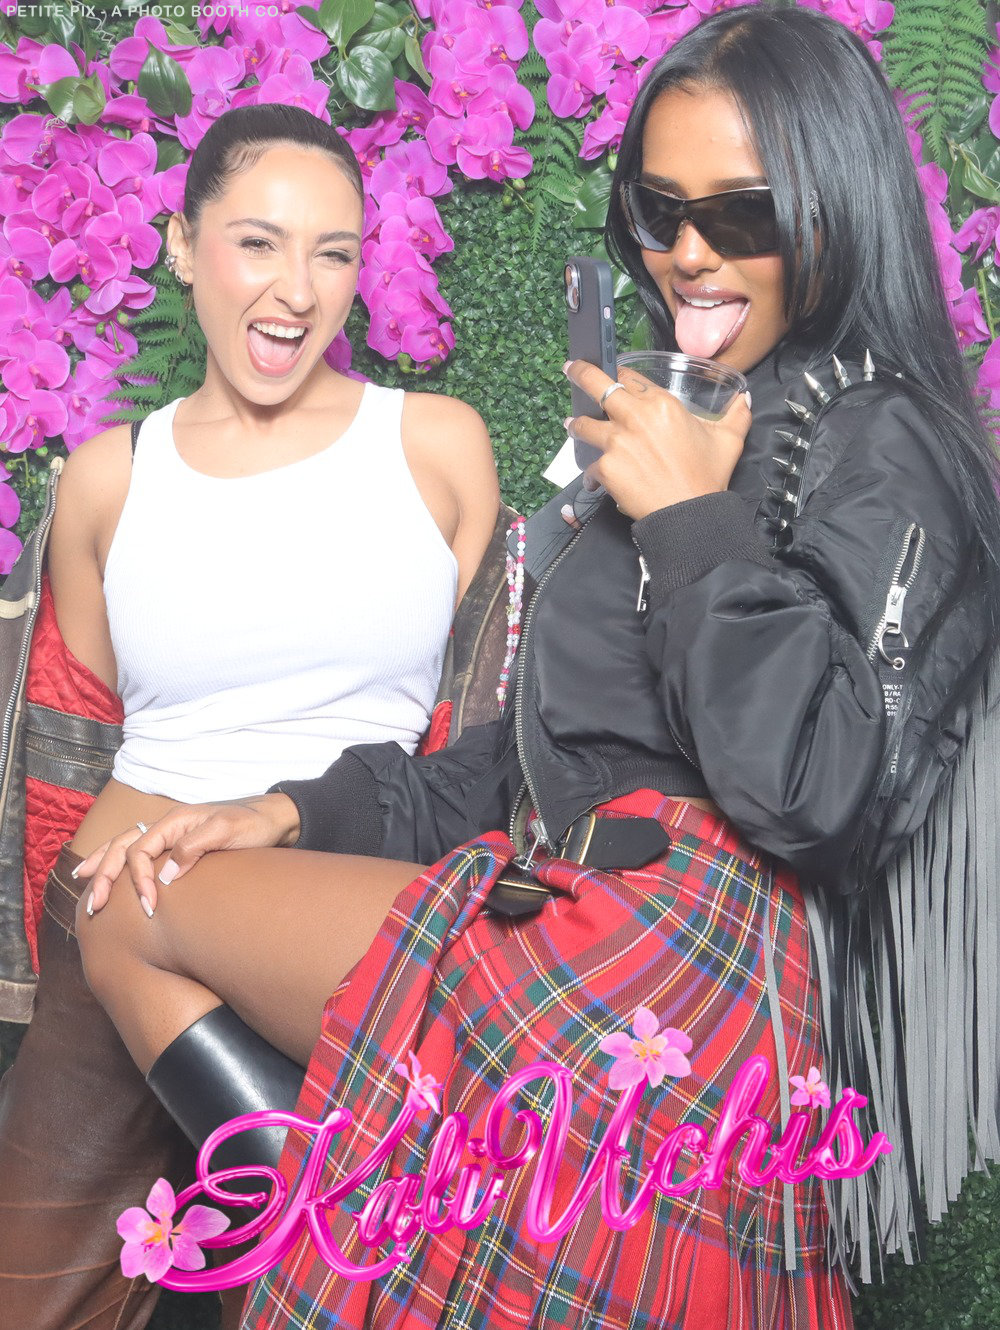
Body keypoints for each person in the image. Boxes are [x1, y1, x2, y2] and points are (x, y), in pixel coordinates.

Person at [75, 6, 1000, 1327]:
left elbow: (825, 791)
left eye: (740, 215)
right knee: (135, 888)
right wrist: (290, 811)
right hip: (567, 897)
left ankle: (378, 1222)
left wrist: (694, 521)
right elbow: (533, 759)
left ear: (834, 205)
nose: (688, 254)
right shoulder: (668, 416)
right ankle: (392, 1216)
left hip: (682, 962)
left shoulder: (882, 436)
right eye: (658, 209)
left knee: (126, 911)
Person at [0, 102, 500, 1330]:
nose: (296, 290)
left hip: (323, 907)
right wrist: (46, 953)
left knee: (321, 1292)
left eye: (333, 252)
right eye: (258, 243)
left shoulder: (434, 446)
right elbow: (76, 733)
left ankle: (348, 1210)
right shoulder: (110, 477)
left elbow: (473, 723)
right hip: (116, 912)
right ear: (182, 247)